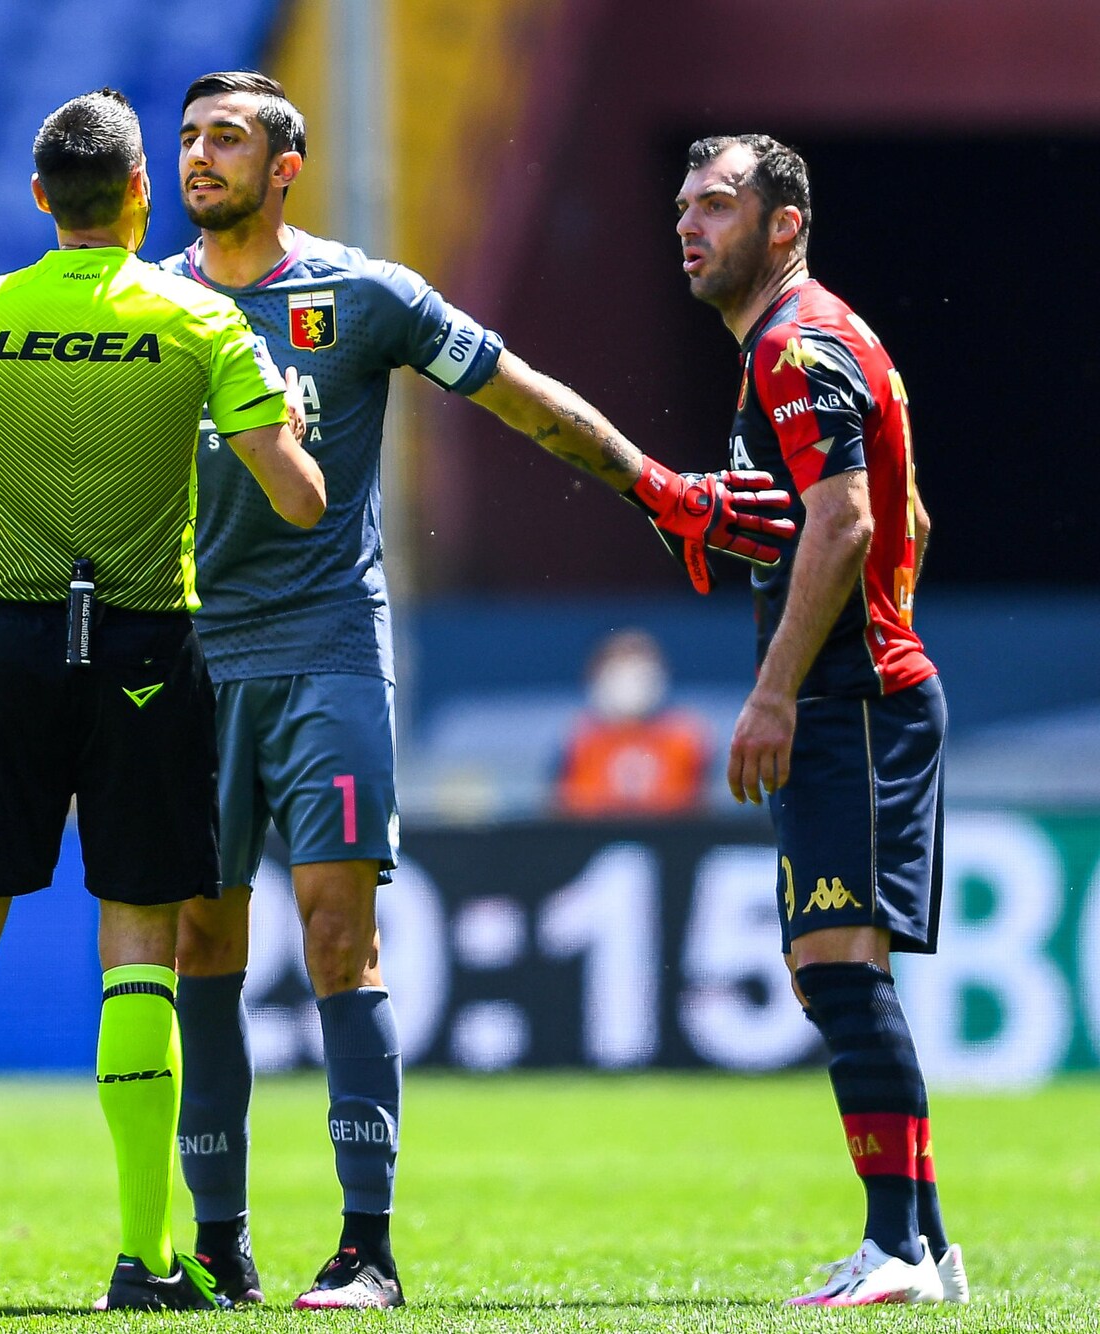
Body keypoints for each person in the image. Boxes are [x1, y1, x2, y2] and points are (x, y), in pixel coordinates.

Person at [162, 70, 794, 1310]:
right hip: (189, 659)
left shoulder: (363, 295)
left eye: (224, 137)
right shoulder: (152, 305)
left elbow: (521, 397)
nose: (198, 155)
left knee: (337, 932)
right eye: (186, 137)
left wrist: (656, 487)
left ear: (283, 166)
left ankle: (364, 1249)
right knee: (200, 942)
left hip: (327, 649)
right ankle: (217, 1244)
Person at [0, 87, 324, 1315]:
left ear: (38, 196)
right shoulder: (198, 319)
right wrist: (284, 416)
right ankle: (141, 1255)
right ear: (139, 193)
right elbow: (299, 500)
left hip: (5, 646)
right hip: (146, 653)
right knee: (140, 942)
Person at [676, 133, 965, 1306]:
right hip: (863, 686)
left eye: (714, 205)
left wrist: (778, 688)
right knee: (831, 969)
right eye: (682, 207)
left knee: (835, 966)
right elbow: (910, 517)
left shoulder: (793, 346)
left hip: (851, 701)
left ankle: (896, 1248)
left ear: (782, 223)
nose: (687, 226)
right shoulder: (822, 334)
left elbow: (847, 523)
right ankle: (922, 1242)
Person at [555, 629, 708, 818]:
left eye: (641, 660)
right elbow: (564, 812)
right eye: (619, 660)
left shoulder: (685, 740)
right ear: (596, 673)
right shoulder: (579, 740)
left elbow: (701, 812)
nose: (631, 674)